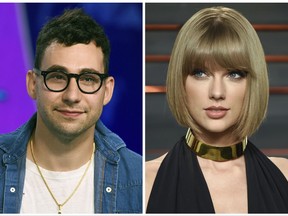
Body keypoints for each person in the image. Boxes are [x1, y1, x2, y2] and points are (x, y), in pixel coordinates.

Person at [146, 6, 288, 213]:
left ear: (253, 83)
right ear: (181, 81)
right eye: (200, 73)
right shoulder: (146, 183)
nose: (217, 92)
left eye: (234, 74)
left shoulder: (283, 176)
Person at [0, 8, 142, 214]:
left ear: (107, 90)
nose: (72, 95)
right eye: (57, 76)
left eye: (88, 79)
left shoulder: (138, 180)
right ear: (32, 83)